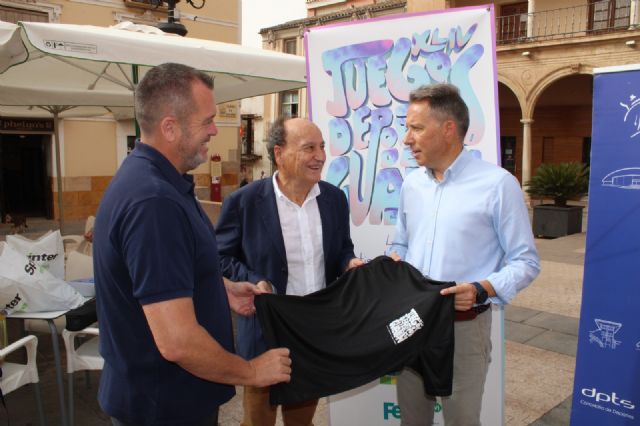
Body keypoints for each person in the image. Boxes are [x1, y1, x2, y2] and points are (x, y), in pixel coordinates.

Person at [93, 63, 291, 426]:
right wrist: (251, 371)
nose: (215, 130)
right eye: (207, 121)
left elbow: (159, 279)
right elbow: (178, 341)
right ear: (170, 127)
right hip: (163, 408)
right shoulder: (153, 202)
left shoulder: (154, 182)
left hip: (164, 400)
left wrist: (220, 289)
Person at [389, 83, 540, 426]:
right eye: (407, 128)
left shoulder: (498, 185)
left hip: (464, 329)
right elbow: (401, 244)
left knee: (462, 421)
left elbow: (526, 261)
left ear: (448, 129)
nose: (407, 139)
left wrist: (481, 288)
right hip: (411, 323)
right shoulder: (412, 184)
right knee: (411, 421)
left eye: (416, 128)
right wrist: (392, 263)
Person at [216, 117, 364, 426]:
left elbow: (341, 250)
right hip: (263, 327)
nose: (320, 156)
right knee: (259, 420)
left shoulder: (334, 200)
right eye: (309, 147)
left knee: (302, 418)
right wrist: (253, 279)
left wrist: (349, 264)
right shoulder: (244, 202)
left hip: (312, 329)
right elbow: (220, 257)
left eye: (322, 146)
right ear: (279, 153)